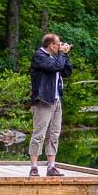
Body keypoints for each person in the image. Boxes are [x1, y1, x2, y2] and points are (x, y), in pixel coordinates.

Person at [29, 33, 72, 178]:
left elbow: (66, 71)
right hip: (43, 100)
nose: (59, 46)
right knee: (39, 134)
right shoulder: (39, 56)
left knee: (54, 134)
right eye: (57, 44)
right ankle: (34, 167)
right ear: (50, 45)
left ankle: (51, 166)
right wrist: (62, 54)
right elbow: (55, 67)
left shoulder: (56, 57)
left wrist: (66, 55)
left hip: (56, 100)